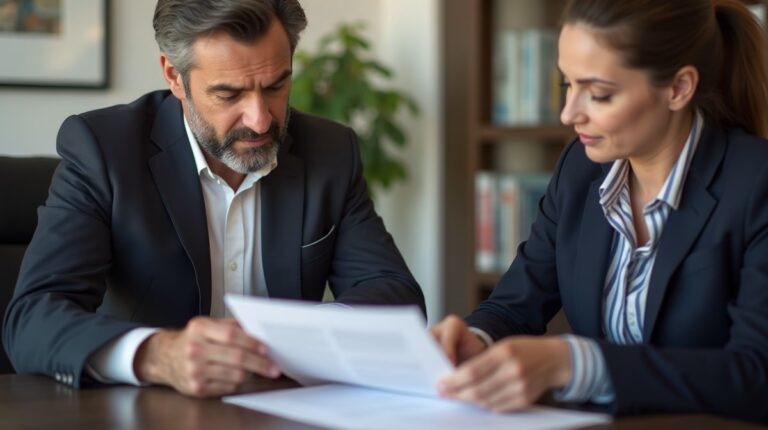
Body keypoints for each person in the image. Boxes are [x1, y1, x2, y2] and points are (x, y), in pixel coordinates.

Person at [3, 0, 424, 398]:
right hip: (148, 412)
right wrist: (156, 355)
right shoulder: (104, 150)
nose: (260, 118)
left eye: (277, 86)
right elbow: (33, 318)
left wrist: (297, 335)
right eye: (229, 95)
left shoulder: (330, 151)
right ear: (174, 76)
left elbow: (396, 298)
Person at [432, 0, 768, 421]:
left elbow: (756, 375)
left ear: (679, 88)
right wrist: (475, 339)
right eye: (566, 86)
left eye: (599, 94)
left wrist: (575, 363)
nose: (569, 113)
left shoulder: (756, 184)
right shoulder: (579, 170)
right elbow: (516, 304)